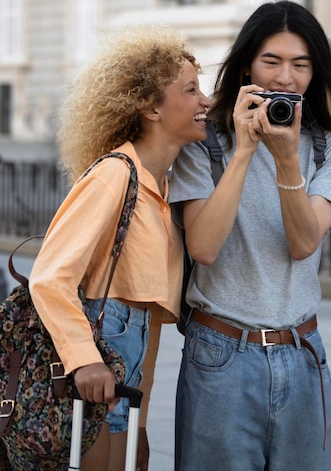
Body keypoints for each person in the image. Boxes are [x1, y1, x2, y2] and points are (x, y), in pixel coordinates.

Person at [168, 0, 331, 471]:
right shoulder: (206, 143)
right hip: (220, 355)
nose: (285, 78)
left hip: (303, 356)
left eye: (300, 64)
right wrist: (242, 151)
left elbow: (303, 244)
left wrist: (285, 159)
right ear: (246, 67)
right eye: (272, 61)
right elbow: (204, 247)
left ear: (315, 72)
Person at [29, 24, 211, 471]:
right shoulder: (115, 174)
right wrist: (84, 361)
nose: (205, 101)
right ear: (151, 106)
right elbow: (50, 277)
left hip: (124, 377)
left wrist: (141, 423)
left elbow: (144, 316)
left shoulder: (160, 185)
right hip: (93, 374)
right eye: (190, 90)